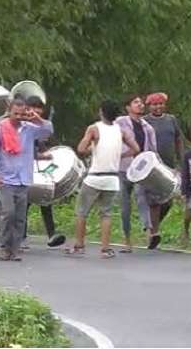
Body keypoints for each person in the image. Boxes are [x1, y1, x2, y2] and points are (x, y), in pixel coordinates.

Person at [66, 100, 140, 258]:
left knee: (82, 212)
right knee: (106, 214)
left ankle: (79, 245)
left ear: (101, 112)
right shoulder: (121, 131)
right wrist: (120, 155)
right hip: (112, 178)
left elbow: (80, 148)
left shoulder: (94, 129)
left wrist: (92, 148)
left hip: (95, 176)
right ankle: (105, 249)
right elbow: (136, 149)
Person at [0, 98, 53, 262]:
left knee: (20, 217)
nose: (18, 116)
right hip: (6, 179)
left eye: (22, 114)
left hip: (24, 179)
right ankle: (4, 247)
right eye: (15, 113)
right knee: (8, 213)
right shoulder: (0, 130)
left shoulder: (30, 129)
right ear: (9, 111)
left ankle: (14, 250)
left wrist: (36, 118)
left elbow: (48, 130)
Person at [115, 94, 158, 252]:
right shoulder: (120, 123)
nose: (140, 105)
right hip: (123, 168)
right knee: (125, 205)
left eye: (141, 102)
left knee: (142, 198)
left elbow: (153, 151)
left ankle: (149, 233)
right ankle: (127, 240)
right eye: (136, 102)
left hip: (140, 170)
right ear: (128, 107)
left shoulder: (148, 128)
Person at [22, 95, 66, 248]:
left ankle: (51, 234)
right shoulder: (20, 126)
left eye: (38, 108)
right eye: (32, 107)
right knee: (23, 204)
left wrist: (45, 154)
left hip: (35, 171)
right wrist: (40, 155)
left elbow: (47, 132)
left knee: (45, 198)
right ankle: (21, 236)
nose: (36, 111)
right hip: (21, 171)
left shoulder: (39, 127)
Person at [143, 92, 184, 247]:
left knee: (168, 201)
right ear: (150, 106)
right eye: (154, 104)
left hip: (169, 165)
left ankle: (151, 226)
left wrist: (181, 161)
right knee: (154, 201)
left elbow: (179, 140)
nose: (158, 107)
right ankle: (154, 234)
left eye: (160, 104)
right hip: (153, 168)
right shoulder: (145, 121)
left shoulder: (171, 120)